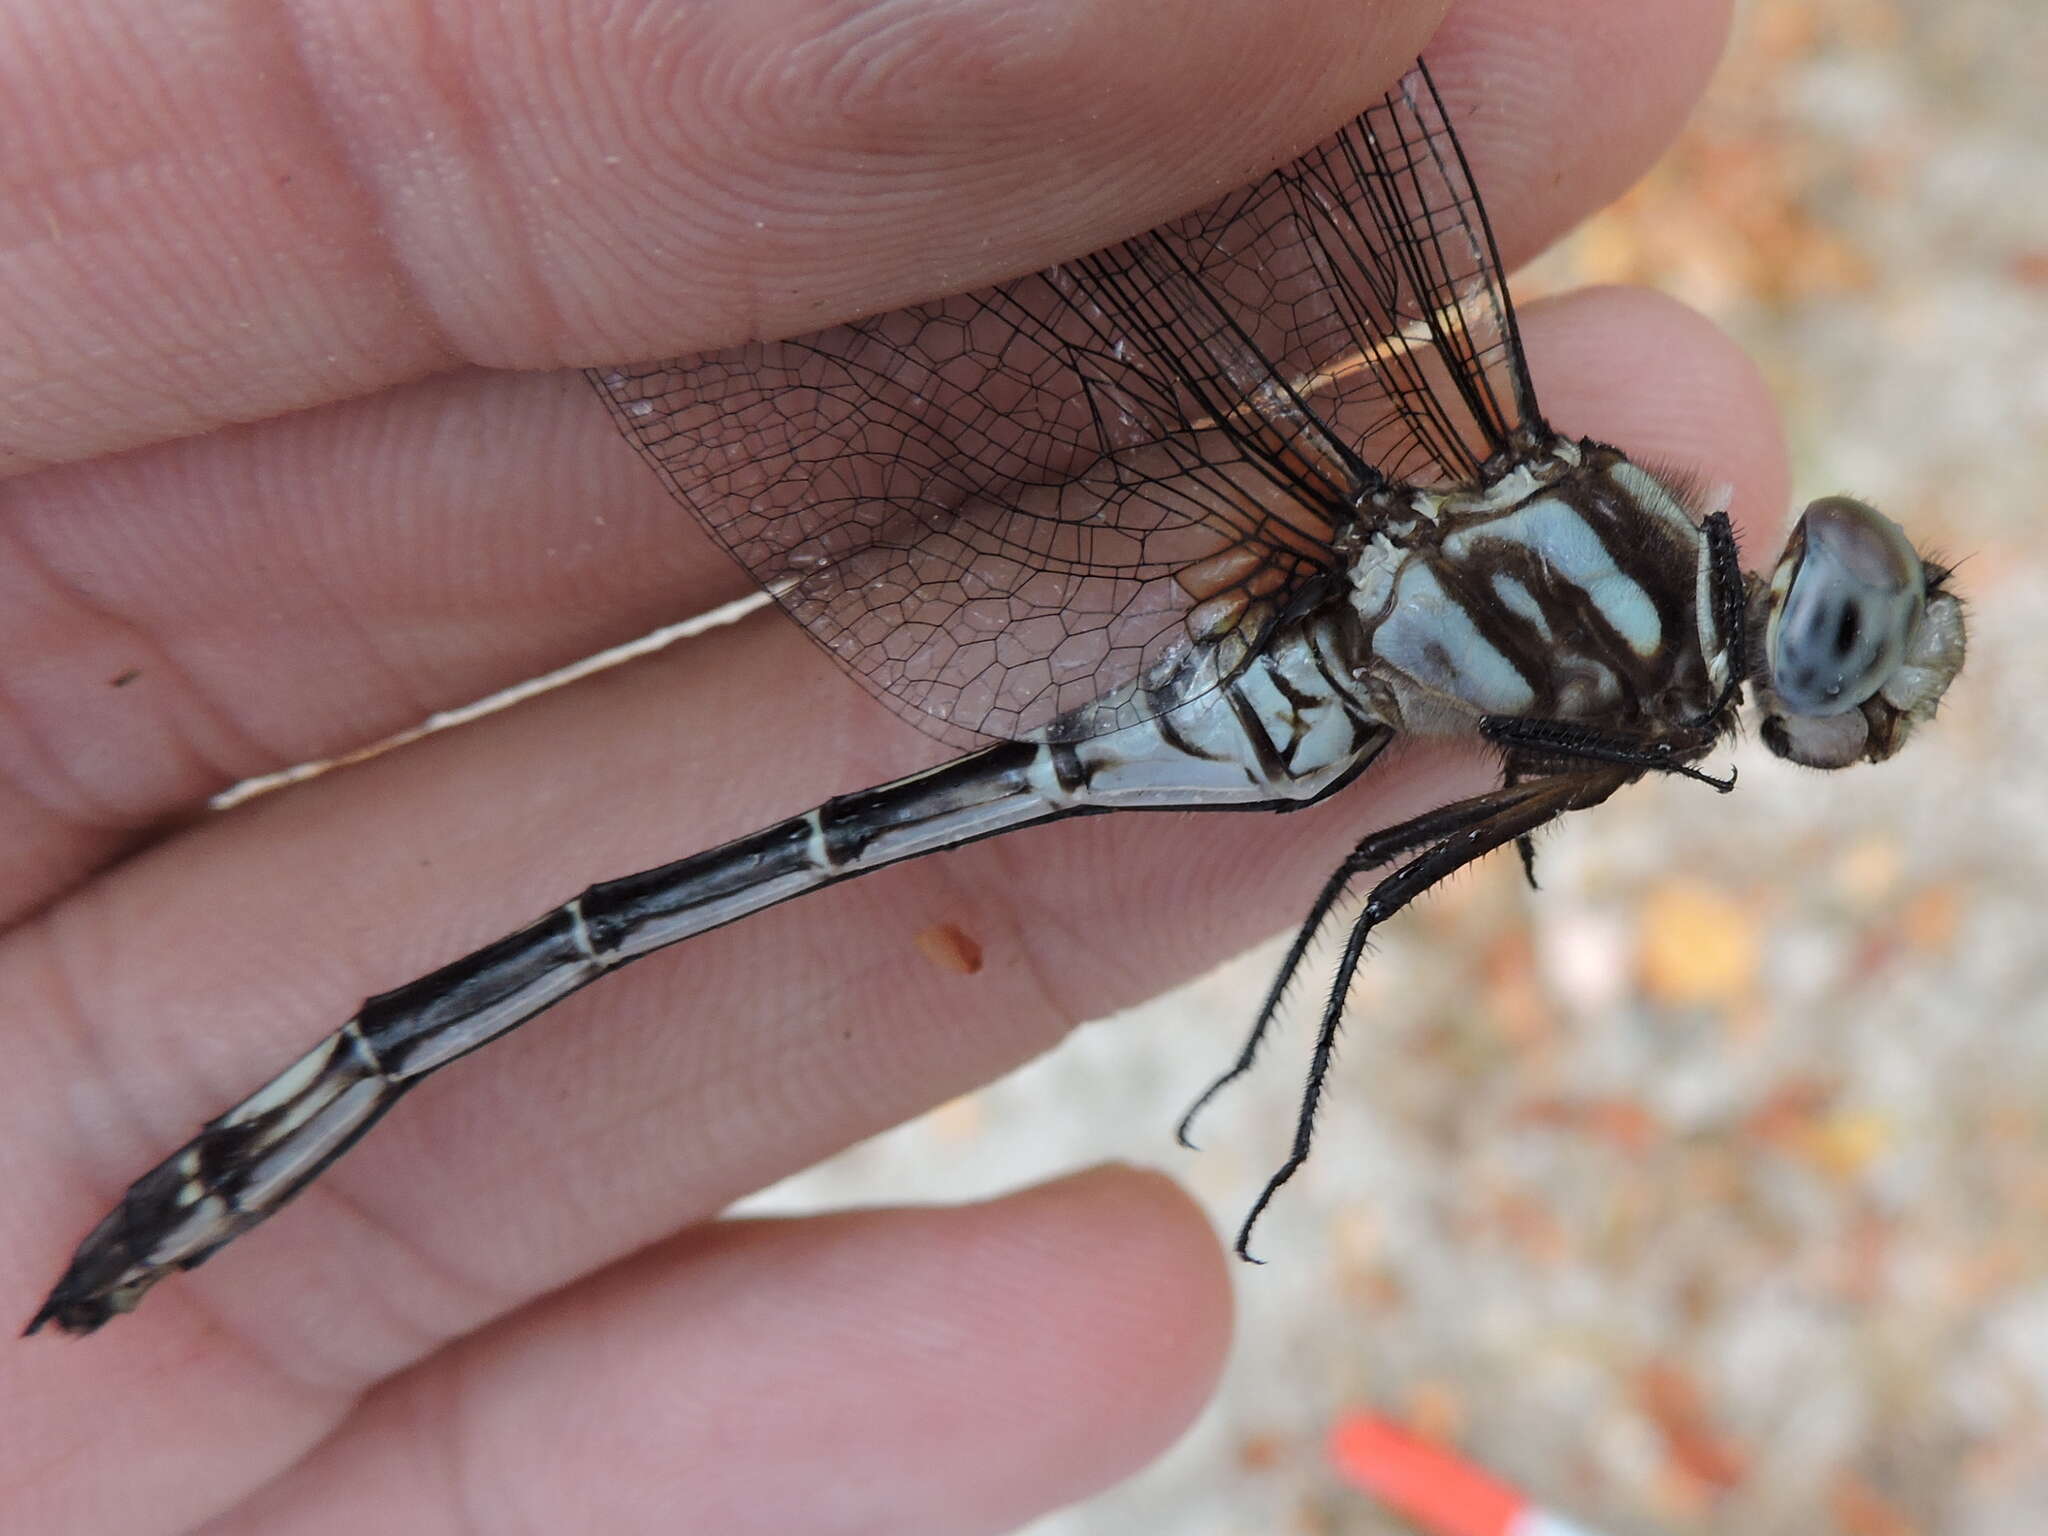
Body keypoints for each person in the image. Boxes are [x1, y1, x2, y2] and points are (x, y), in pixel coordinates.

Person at [4, 0, 1771, 1529]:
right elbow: (1383, 875)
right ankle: (299, 1112)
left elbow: (1405, 850)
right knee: (615, 922)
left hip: (1285, 653)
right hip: (1276, 653)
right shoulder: (1622, 648)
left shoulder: (1603, 601)